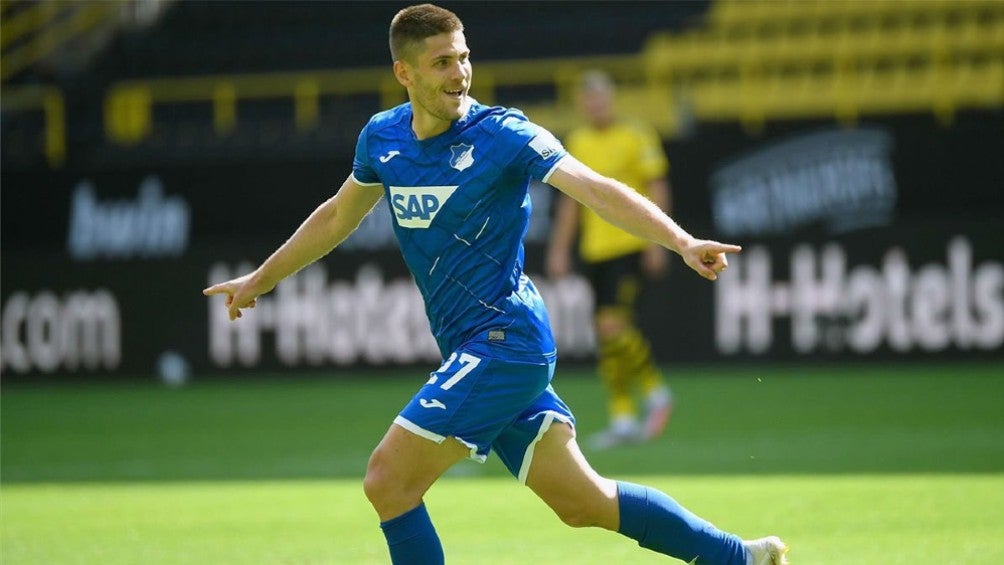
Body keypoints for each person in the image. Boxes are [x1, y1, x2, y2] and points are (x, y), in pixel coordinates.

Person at [203, 5, 788, 564]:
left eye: (463, 58)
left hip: (505, 341)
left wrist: (681, 241)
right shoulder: (382, 139)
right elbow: (337, 216)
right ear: (403, 73)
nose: (459, 74)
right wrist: (262, 278)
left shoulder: (502, 133)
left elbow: (591, 186)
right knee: (583, 503)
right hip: (474, 348)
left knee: (388, 481)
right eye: (441, 63)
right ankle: (738, 557)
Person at [547, 69, 675, 450]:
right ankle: (622, 416)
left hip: (630, 243)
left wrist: (659, 241)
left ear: (611, 100)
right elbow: (571, 200)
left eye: (601, 99)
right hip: (595, 250)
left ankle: (655, 390)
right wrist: (559, 247)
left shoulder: (636, 135)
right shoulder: (578, 141)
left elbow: (657, 185)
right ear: (581, 105)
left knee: (613, 328)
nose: (596, 106)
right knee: (607, 337)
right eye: (589, 100)